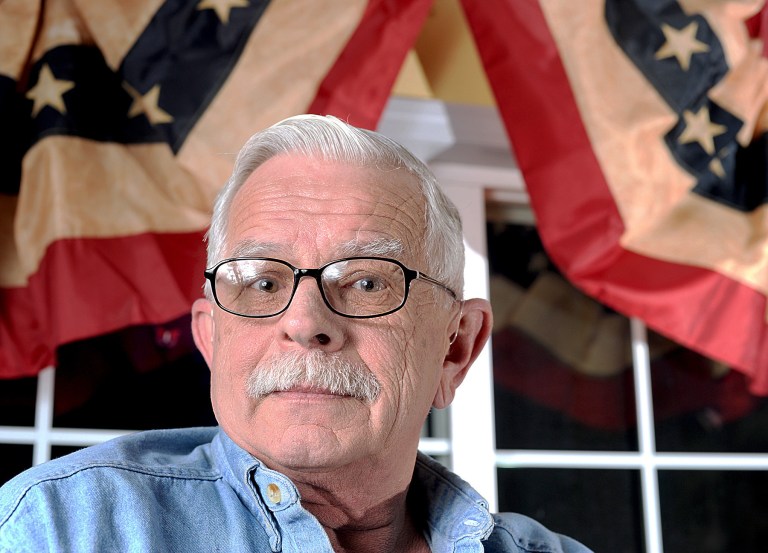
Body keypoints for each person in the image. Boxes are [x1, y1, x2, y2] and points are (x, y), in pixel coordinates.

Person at [0, 114, 593, 552]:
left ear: (455, 347)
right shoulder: (59, 528)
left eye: (366, 282)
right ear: (210, 340)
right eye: (261, 283)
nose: (306, 324)